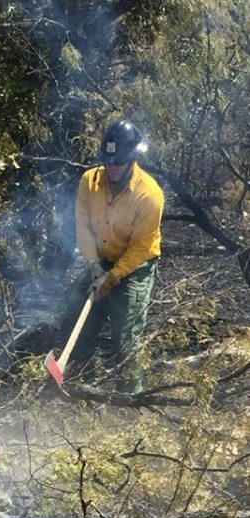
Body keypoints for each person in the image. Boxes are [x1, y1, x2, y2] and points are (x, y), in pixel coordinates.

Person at [68, 120, 165, 393]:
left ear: (133, 158)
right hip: (100, 260)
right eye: (108, 161)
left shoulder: (150, 195)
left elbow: (141, 248)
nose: (112, 168)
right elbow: (83, 227)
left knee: (125, 336)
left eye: (118, 162)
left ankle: (130, 399)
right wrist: (94, 266)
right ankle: (79, 389)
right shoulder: (89, 181)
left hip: (135, 266)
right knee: (77, 321)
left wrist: (113, 277)